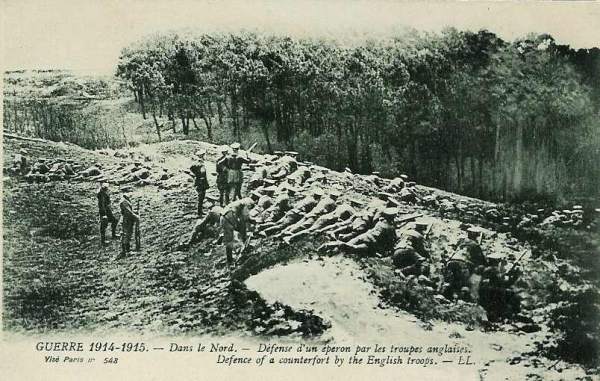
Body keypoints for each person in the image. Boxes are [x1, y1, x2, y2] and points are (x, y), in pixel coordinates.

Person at [318, 208, 398, 257]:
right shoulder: (390, 228)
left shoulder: (381, 222)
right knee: (351, 248)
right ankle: (334, 245)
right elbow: (391, 240)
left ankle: (329, 252)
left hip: (364, 236)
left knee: (346, 247)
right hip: (370, 243)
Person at [220, 197, 255, 267]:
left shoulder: (239, 204)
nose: (249, 209)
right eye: (250, 207)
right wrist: (253, 221)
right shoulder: (244, 205)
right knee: (229, 240)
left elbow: (244, 219)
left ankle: (243, 248)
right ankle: (229, 261)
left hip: (227, 219)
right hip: (227, 220)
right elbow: (245, 218)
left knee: (238, 232)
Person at [118, 192, 139, 258]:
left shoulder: (125, 200)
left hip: (127, 220)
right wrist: (136, 217)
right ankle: (127, 251)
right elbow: (128, 212)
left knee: (126, 235)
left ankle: (125, 251)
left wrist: (134, 212)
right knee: (126, 235)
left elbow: (129, 211)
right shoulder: (124, 201)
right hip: (126, 220)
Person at [190, 149, 209, 216]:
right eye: (203, 155)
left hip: (198, 181)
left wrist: (195, 175)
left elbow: (191, 168)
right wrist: (200, 176)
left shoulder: (195, 163)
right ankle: (199, 213)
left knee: (200, 197)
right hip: (202, 182)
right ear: (202, 156)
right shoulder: (201, 164)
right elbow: (203, 172)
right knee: (201, 197)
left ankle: (200, 211)